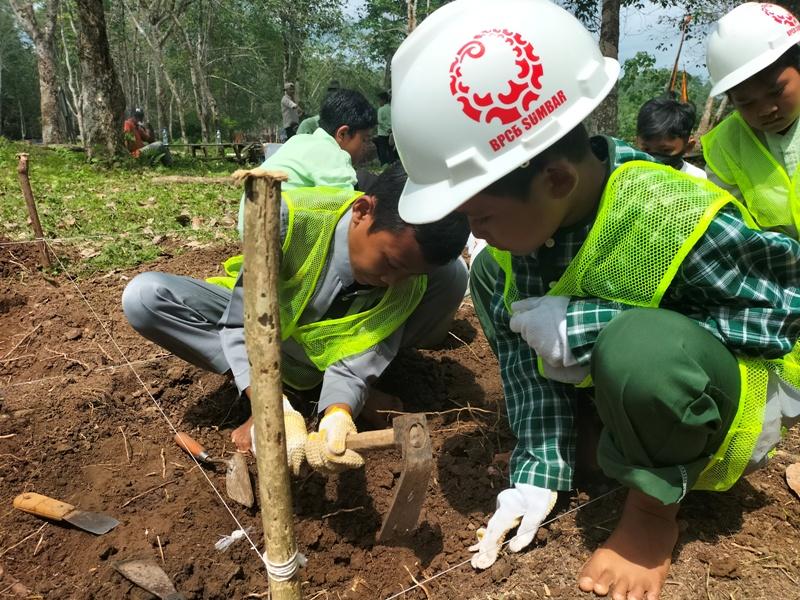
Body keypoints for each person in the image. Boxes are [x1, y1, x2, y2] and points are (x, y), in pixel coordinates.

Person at [390, 1, 800, 599]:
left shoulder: (669, 213)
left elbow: (777, 316)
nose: (477, 236)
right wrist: (535, 475)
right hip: (636, 395)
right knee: (585, 446)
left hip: (728, 396)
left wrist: (595, 326)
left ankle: (651, 517)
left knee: (638, 349)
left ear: (555, 180)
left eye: (481, 215)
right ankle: (612, 445)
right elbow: (527, 376)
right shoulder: (504, 260)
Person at [122, 163, 470, 476]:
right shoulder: (288, 218)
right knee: (145, 297)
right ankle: (272, 393)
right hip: (256, 324)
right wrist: (269, 405)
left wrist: (339, 413)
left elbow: (362, 349)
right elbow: (243, 324)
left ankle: (325, 395)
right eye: (390, 263)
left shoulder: (409, 281)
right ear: (363, 211)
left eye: (408, 274)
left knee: (444, 282)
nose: (394, 280)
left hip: (318, 354)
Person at [703, 2, 800, 238]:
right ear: (732, 100)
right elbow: (732, 223)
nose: (766, 110)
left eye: (776, 91)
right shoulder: (725, 146)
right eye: (746, 103)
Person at [237, 88, 376, 237]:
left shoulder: (299, 140)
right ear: (342, 133)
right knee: (360, 194)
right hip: (276, 228)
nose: (365, 147)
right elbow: (347, 208)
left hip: (249, 227)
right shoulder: (331, 152)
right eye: (364, 139)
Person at [636, 97, 706, 178]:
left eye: (666, 150)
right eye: (646, 149)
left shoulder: (698, 179)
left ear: (688, 146)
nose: (653, 160)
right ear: (636, 141)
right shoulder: (627, 173)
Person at [375, 91, 395, 165]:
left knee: (382, 150)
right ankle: (392, 163)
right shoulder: (392, 109)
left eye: (379, 100)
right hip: (391, 133)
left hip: (382, 133)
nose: (379, 102)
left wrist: (386, 128)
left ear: (383, 100)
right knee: (390, 150)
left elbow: (379, 121)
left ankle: (384, 164)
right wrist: (391, 129)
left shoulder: (381, 110)